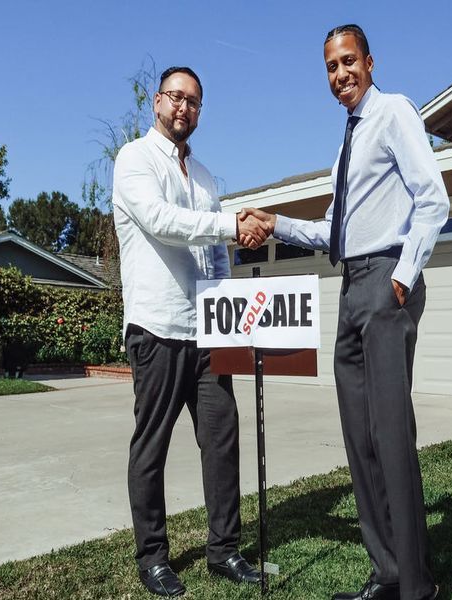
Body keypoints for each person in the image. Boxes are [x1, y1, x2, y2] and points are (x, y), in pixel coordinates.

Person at [241, 24, 448, 600]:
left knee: (390, 434)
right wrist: (276, 223)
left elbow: (434, 198)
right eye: (331, 67)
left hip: (385, 282)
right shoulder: (347, 142)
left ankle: (417, 587)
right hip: (351, 285)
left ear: (370, 61)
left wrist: (404, 277)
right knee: (360, 439)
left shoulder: (394, 114)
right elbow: (333, 232)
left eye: (348, 62)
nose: (340, 75)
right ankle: (387, 573)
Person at [113, 65, 271, 598]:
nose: (184, 108)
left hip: (207, 333)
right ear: (157, 102)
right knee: (151, 447)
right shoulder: (133, 159)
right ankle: (153, 556)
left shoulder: (204, 176)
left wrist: (230, 312)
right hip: (156, 328)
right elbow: (161, 221)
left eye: (194, 102)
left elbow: (212, 256)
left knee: (222, 439)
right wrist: (231, 224)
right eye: (176, 98)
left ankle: (224, 550)